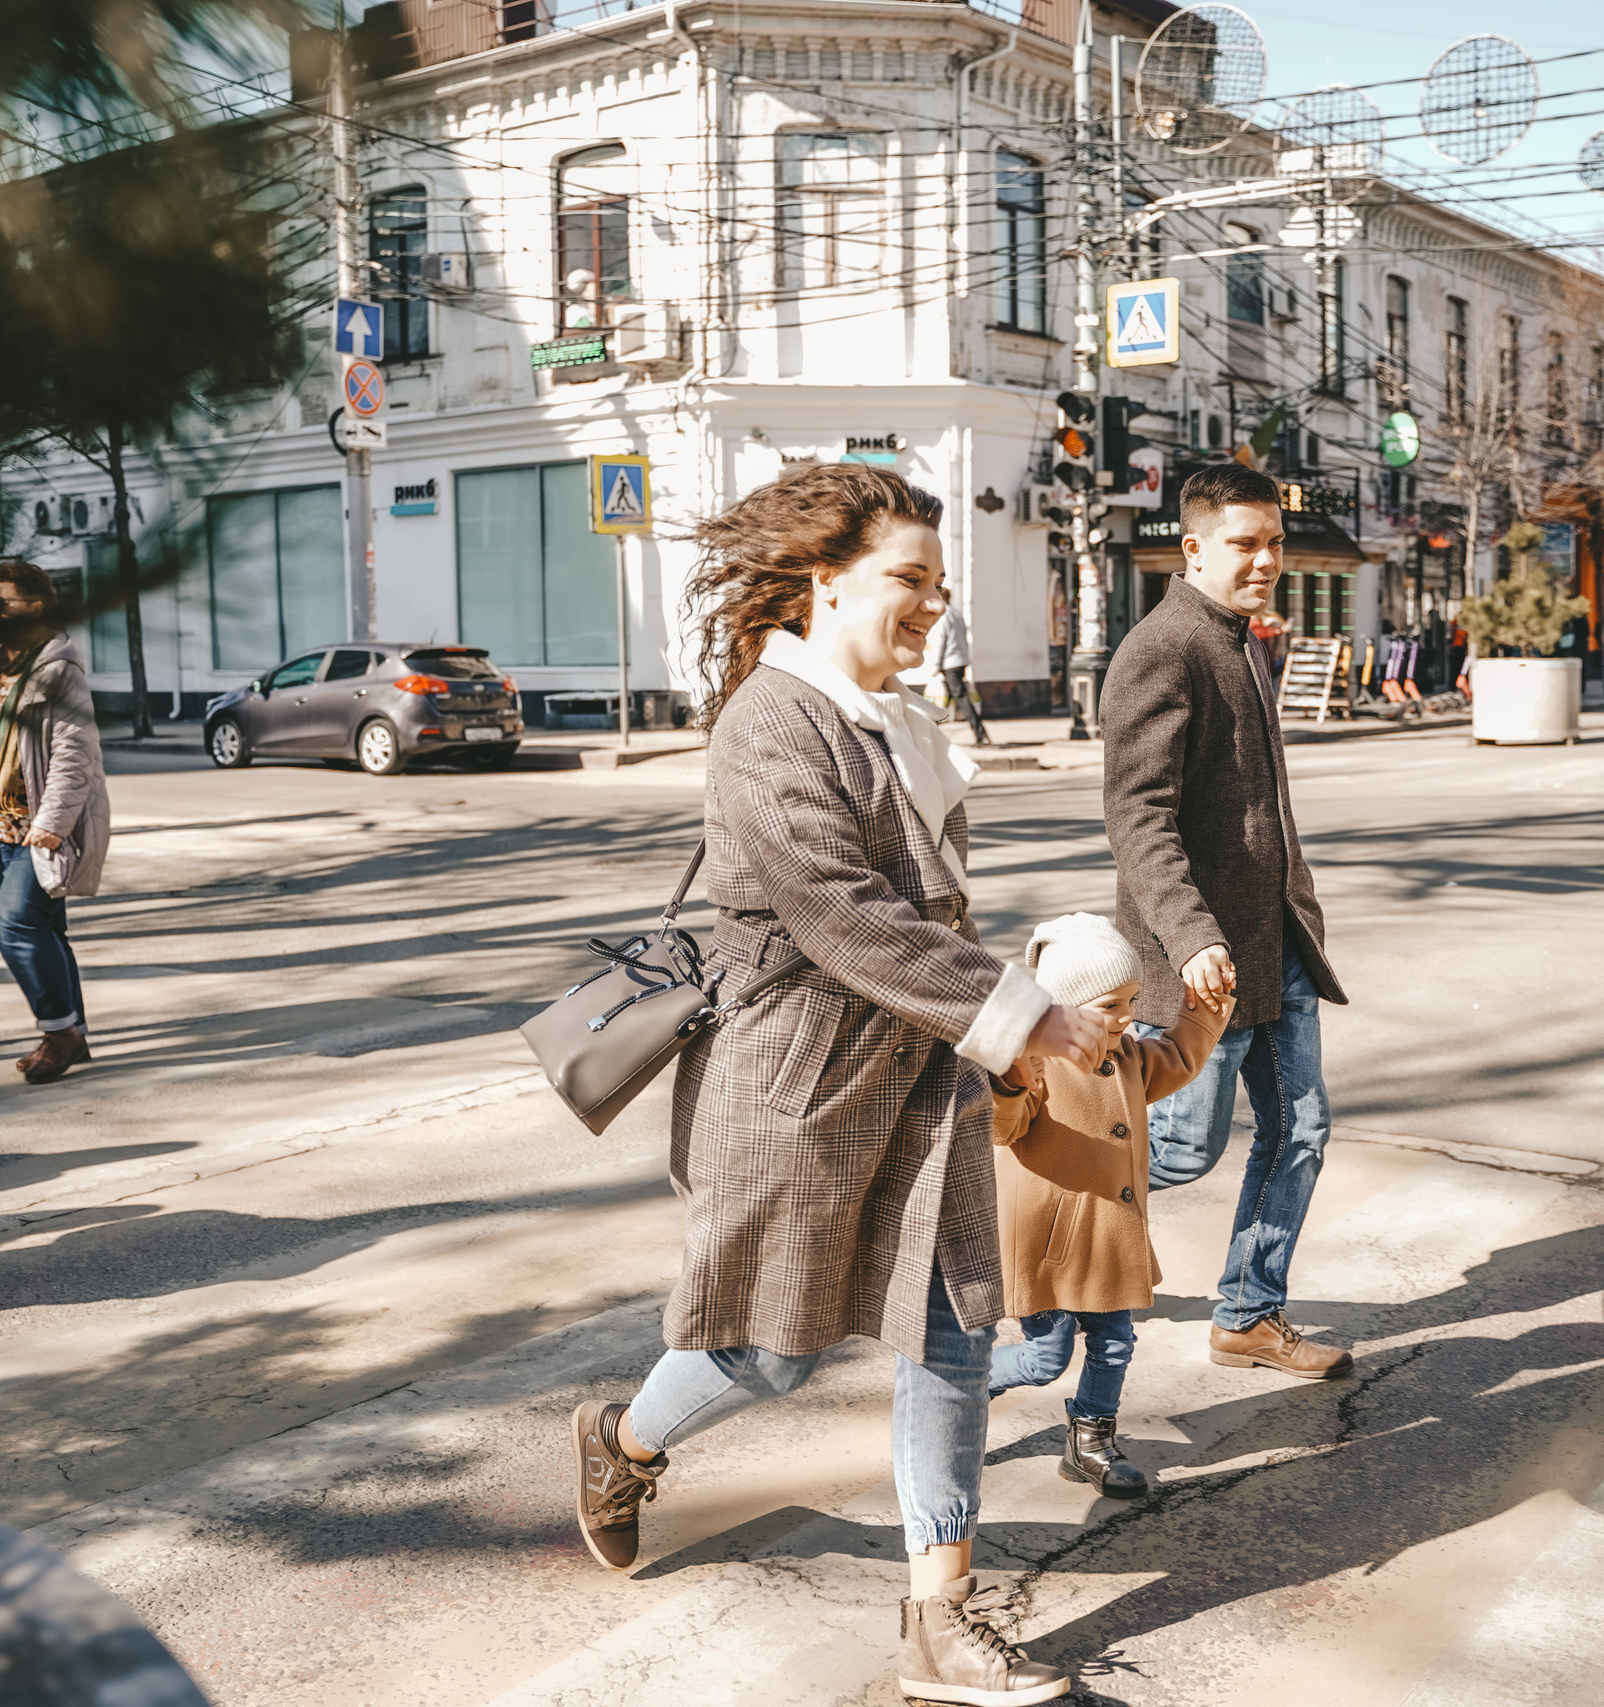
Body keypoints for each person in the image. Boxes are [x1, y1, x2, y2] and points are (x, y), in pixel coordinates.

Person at [565, 466, 1102, 1707]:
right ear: (826, 582)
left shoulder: (894, 724)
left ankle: (937, 1623)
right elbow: (842, 917)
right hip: (798, 1092)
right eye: (907, 582)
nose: (930, 608)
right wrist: (1024, 1017)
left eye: (938, 587)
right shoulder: (770, 724)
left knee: (954, 1339)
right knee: (771, 1351)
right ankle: (623, 1440)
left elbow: (919, 919)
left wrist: (998, 1023)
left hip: (923, 1078)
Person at [1098, 463, 1353, 1384]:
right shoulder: (1162, 649)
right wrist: (1192, 933)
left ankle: (1248, 1311)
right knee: (1177, 1149)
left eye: (1275, 542)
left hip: (1275, 939)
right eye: (1245, 543)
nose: (1267, 559)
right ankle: (1020, 1208)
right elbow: (1138, 817)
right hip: (1200, 957)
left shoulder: (1244, 639)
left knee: (1303, 1129)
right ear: (1193, 546)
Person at [985, 914, 1227, 1499]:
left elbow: (1178, 1058)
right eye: (1108, 1005)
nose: (1125, 1017)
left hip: (1110, 1239)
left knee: (1115, 1343)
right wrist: (1011, 1082)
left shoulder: (1128, 1058)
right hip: (1050, 1244)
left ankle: (1090, 1439)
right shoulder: (1034, 1063)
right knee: (1045, 1358)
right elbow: (1001, 1128)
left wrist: (1203, 1013)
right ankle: (955, 1385)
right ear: (1063, 1006)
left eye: (1133, 1001)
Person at [0, 562, 111, 1084]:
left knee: (14, 924)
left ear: (37, 607)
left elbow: (73, 753)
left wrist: (53, 823)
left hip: (40, 826)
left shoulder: (59, 672)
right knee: (48, 931)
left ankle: (60, 1034)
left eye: (3, 603)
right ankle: (70, 1032)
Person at [925, 597, 991, 746]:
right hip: (959, 662)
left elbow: (941, 640)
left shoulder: (943, 615)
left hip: (949, 663)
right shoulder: (956, 614)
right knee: (945, 700)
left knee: (961, 698)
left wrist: (936, 665)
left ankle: (981, 735)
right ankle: (927, 736)